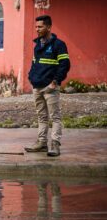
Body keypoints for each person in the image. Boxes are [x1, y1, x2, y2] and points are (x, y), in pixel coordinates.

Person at [24, 15, 70, 157]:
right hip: (37, 86)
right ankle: (41, 143)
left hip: (50, 87)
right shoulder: (38, 45)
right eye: (36, 26)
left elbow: (65, 65)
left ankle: (55, 145)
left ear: (49, 27)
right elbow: (34, 63)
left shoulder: (59, 45)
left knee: (55, 117)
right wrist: (31, 77)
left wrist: (55, 82)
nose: (37, 29)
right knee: (42, 117)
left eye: (40, 27)